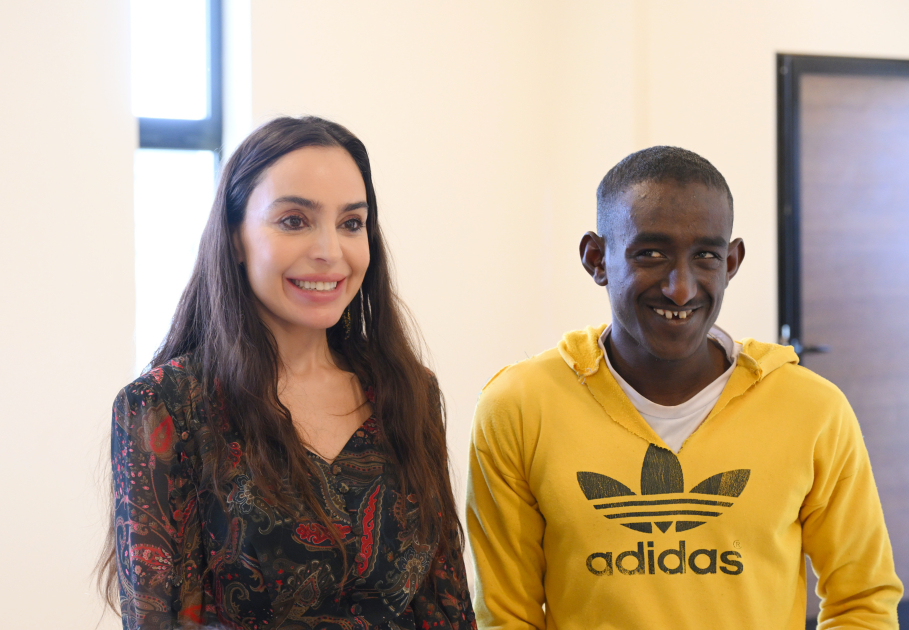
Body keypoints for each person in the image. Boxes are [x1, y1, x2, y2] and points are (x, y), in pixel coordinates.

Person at [466, 146, 902, 628]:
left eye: (706, 256)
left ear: (731, 262)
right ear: (597, 258)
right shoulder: (520, 407)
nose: (681, 288)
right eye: (650, 254)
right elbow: (507, 617)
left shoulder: (812, 409)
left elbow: (862, 601)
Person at [99, 116, 476, 630]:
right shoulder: (165, 406)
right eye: (295, 221)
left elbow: (446, 607)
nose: (330, 252)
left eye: (351, 223)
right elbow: (158, 620)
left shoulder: (408, 391)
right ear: (235, 238)